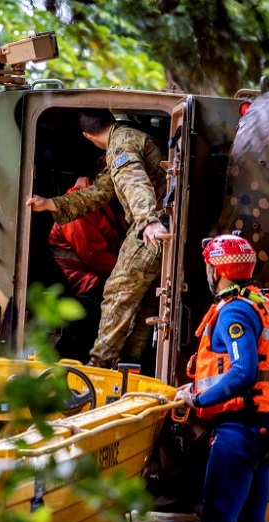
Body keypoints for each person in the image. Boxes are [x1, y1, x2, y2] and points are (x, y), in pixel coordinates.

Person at [174, 231, 269, 522]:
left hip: (237, 429)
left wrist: (197, 397)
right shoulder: (262, 303)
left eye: (208, 267)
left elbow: (243, 372)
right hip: (261, 428)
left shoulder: (234, 313)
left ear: (218, 270)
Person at [27, 109, 166, 369]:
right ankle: (129, 365)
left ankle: (99, 367)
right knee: (144, 302)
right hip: (162, 229)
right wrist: (51, 204)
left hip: (153, 228)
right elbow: (100, 192)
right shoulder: (127, 137)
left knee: (117, 294)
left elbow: (133, 181)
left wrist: (148, 220)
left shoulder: (121, 145)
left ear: (87, 135)